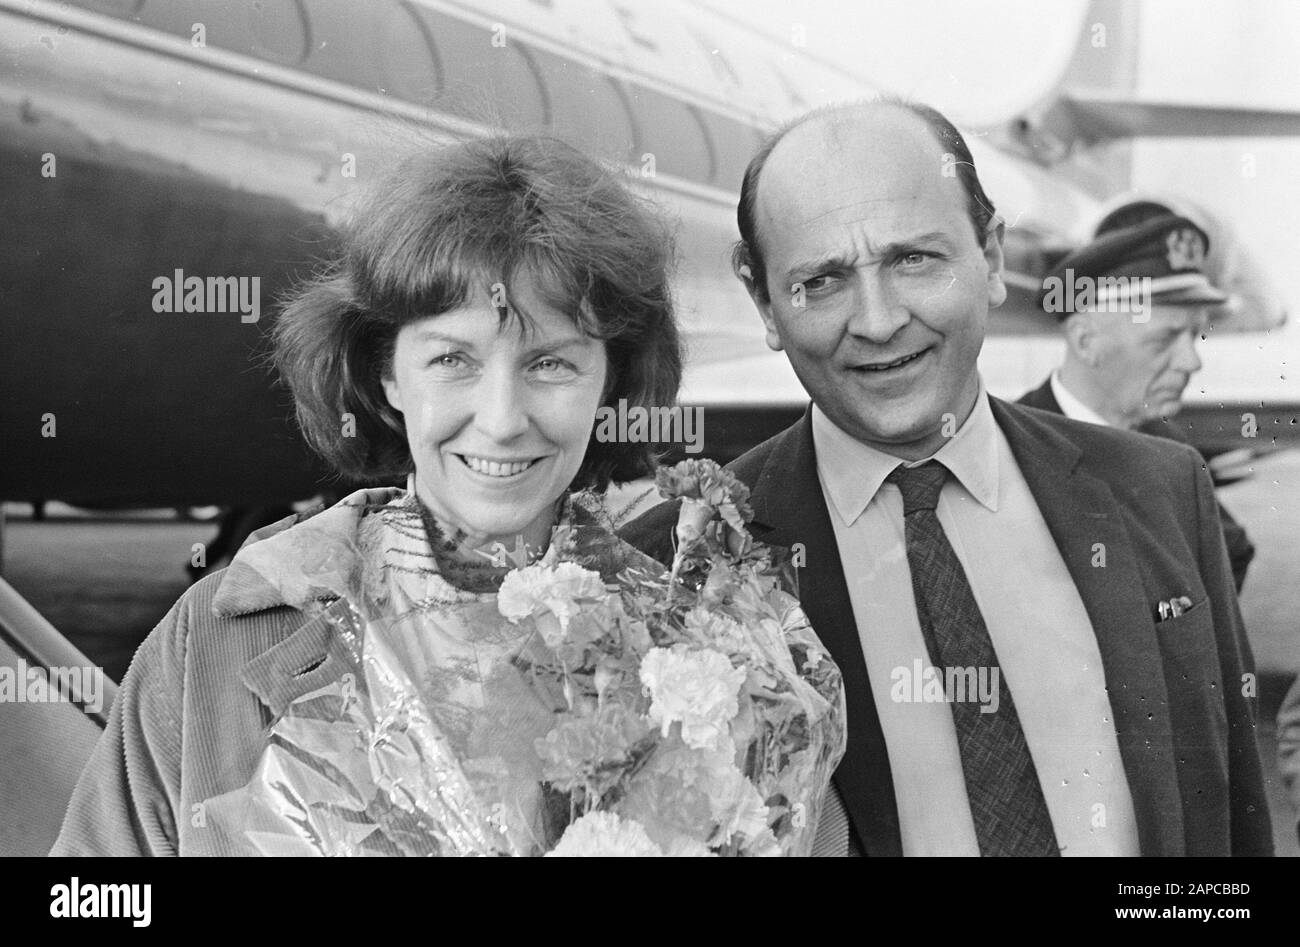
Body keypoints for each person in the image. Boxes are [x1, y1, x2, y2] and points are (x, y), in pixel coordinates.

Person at [621, 98, 1273, 856]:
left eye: (914, 259)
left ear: (991, 257)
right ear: (762, 298)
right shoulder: (667, 573)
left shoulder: (1161, 490)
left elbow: (1232, 823)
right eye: (823, 280)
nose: (878, 320)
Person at [50, 134, 689, 855]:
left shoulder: (701, 655)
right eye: (452, 358)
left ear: (611, 381)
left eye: (551, 362)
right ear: (386, 376)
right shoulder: (215, 639)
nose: (504, 419)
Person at [1018, 208, 1255, 591]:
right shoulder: (1012, 452)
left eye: (1194, 336)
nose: (1192, 361)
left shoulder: (1168, 444)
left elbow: (1232, 551)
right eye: (1165, 338)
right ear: (1086, 341)